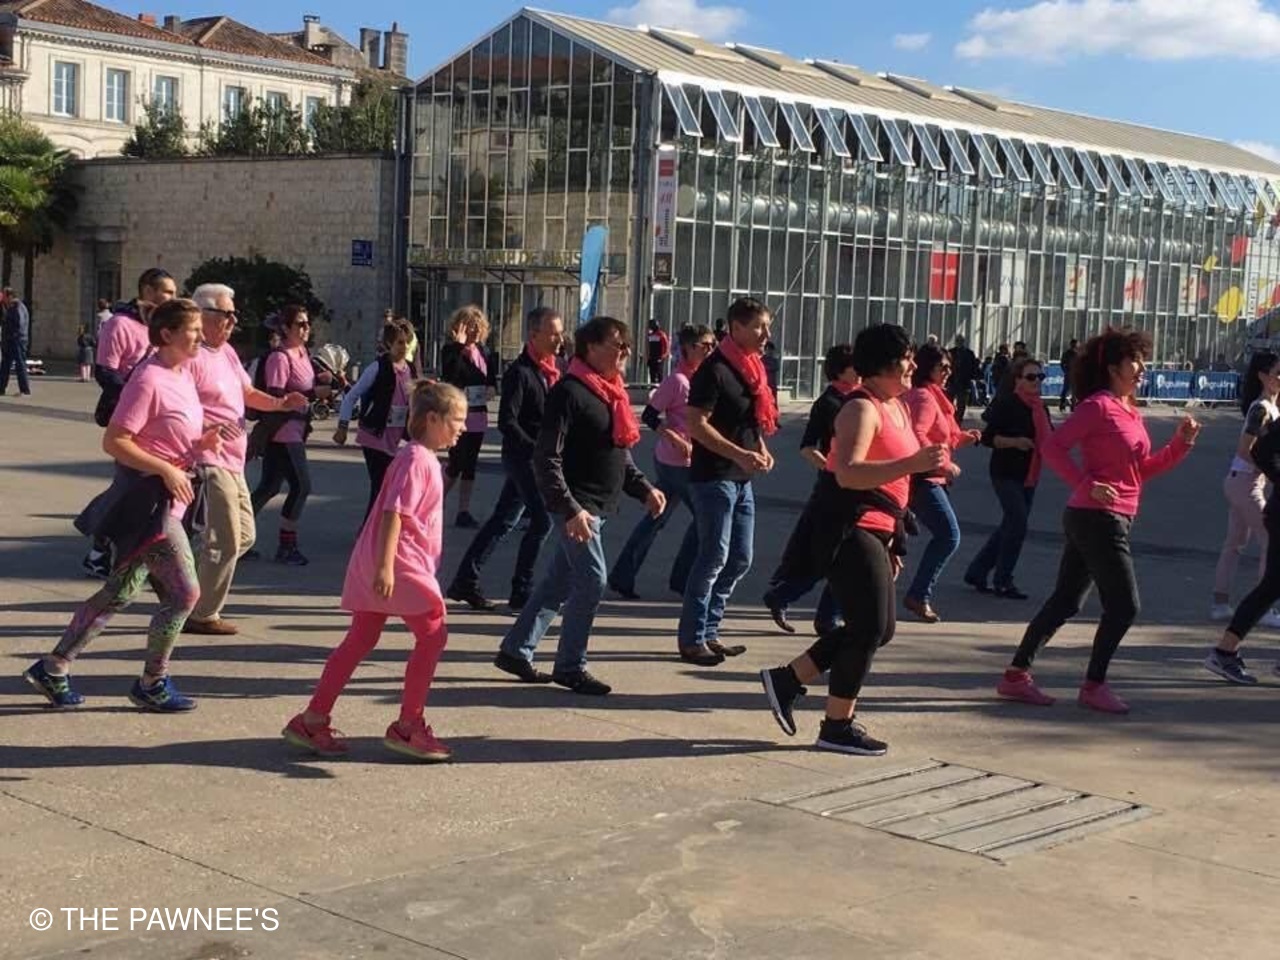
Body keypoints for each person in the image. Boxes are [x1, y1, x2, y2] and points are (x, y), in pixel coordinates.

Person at [23, 299, 222, 712]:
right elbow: (115, 441)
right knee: (185, 594)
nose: (200, 337)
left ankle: (54, 666)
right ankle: (153, 682)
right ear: (167, 334)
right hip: (149, 506)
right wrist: (165, 469)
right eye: (193, 330)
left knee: (120, 591)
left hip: (172, 501)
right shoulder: (147, 379)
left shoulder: (182, 374)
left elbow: (165, 435)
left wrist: (199, 444)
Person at [758, 324, 945, 755]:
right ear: (883, 364)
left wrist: (894, 538)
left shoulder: (896, 406)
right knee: (869, 628)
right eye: (906, 358)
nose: (912, 365)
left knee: (879, 629)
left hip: (879, 527)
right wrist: (913, 462)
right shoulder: (860, 408)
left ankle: (788, 679)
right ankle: (836, 726)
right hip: (847, 526)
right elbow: (847, 473)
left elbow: (895, 476)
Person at [997, 328, 1200, 714]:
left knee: (1066, 602)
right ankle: (1093, 685)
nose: (1142, 368)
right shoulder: (1098, 407)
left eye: (1142, 360)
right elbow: (1053, 448)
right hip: (1096, 517)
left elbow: (1140, 471)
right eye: (1134, 360)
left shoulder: (1128, 409)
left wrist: (1181, 444)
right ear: (1112, 367)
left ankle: (1015, 676)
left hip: (1113, 515)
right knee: (1124, 606)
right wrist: (1086, 484)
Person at [283, 382, 468, 760]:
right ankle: (409, 725)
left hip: (386, 561)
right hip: (398, 563)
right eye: (457, 420)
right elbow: (393, 514)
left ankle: (313, 719)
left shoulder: (419, 458)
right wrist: (385, 568)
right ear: (433, 419)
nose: (463, 428)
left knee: (361, 638)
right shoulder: (417, 460)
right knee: (433, 635)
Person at [495, 316, 664, 695]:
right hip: (576, 506)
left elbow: (619, 453)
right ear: (591, 347)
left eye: (627, 345)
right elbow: (546, 458)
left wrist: (644, 489)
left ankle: (515, 650)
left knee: (560, 580)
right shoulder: (569, 392)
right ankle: (571, 666)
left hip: (597, 505)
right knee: (592, 579)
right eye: (618, 344)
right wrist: (569, 509)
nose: (626, 351)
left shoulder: (610, 392)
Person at [185, 284, 308, 636]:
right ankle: (201, 613)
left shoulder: (226, 353)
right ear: (203, 315)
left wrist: (280, 403)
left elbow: (248, 392)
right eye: (227, 314)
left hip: (235, 460)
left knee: (244, 536)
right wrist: (206, 428)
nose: (233, 321)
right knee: (224, 541)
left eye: (234, 314)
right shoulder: (191, 357)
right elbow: (178, 406)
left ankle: (179, 571)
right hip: (209, 459)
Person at [679, 297, 777, 666]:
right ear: (736, 328)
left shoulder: (751, 368)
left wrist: (760, 448)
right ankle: (692, 639)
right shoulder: (715, 369)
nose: (766, 334)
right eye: (759, 327)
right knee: (713, 557)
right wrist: (738, 453)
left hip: (741, 477)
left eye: (767, 326)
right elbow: (696, 424)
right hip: (714, 477)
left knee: (740, 558)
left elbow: (748, 420)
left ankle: (710, 630)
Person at [447, 306, 565, 611]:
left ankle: (465, 580)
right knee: (541, 522)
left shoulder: (551, 370)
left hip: (538, 458)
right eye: (553, 333)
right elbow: (507, 422)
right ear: (534, 334)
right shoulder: (520, 372)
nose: (559, 339)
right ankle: (521, 590)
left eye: (561, 333)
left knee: (503, 520)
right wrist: (536, 448)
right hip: (523, 458)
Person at [84, 268, 179, 578]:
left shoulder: (163, 328)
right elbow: (105, 371)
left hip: (158, 419)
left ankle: (112, 550)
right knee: (131, 484)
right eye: (167, 292)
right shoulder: (119, 324)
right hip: (130, 417)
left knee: (136, 486)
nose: (172, 298)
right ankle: (103, 547)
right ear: (148, 291)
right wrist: (136, 395)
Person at [608, 324, 713, 600]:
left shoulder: (704, 378)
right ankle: (682, 579)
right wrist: (674, 437)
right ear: (688, 348)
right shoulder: (677, 381)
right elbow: (650, 416)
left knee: (657, 517)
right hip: (675, 463)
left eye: (713, 345)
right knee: (707, 518)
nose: (710, 350)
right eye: (705, 345)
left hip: (688, 462)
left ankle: (623, 576)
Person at [762, 343, 859, 636]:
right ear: (841, 370)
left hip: (856, 486)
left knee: (845, 555)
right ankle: (787, 597)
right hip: (834, 488)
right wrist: (831, 468)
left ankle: (824, 615)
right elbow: (807, 446)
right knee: (830, 555)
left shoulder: (859, 399)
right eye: (855, 365)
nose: (861, 370)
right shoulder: (829, 402)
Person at [902, 345, 981, 623]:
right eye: (942, 367)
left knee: (885, 544)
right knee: (948, 535)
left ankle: (832, 607)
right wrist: (942, 464)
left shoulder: (935, 396)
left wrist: (964, 438)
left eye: (949, 366)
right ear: (927, 368)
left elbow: (942, 435)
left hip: (927, 476)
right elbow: (917, 434)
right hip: (922, 478)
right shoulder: (924, 396)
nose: (948, 372)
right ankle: (918, 595)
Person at [963, 356, 1052, 599]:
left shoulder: (1040, 408)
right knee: (1018, 523)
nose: (1036, 381)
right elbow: (987, 438)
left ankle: (977, 571)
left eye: (1040, 377)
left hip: (1029, 474)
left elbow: (1051, 440)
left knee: (1010, 525)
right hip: (1005, 473)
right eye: (1031, 377)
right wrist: (1015, 442)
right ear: (1018, 380)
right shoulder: (1007, 404)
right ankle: (1003, 580)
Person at [1207, 352, 1280, 643]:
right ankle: (1266, 607)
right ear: (1262, 376)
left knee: (1235, 542)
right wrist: (1273, 473)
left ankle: (1220, 602)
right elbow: (1244, 449)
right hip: (1245, 482)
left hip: (1246, 481)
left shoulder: (1271, 407)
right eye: (1276, 373)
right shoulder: (1261, 408)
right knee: (1270, 540)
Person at [249, 304, 316, 565]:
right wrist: (313, 394)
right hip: (282, 432)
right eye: (300, 324)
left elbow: (304, 388)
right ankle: (286, 546)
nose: (306, 328)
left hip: (296, 429)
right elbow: (275, 397)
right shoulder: (279, 358)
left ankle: (237, 537)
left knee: (269, 487)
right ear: (286, 328)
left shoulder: (302, 353)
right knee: (301, 486)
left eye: (307, 323)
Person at [334, 318, 418, 519]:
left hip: (396, 435)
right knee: (381, 486)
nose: (404, 347)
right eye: (399, 342)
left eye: (407, 342)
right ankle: (369, 530)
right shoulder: (378, 367)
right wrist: (343, 426)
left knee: (391, 486)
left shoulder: (410, 369)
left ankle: (378, 529)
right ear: (388, 344)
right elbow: (352, 396)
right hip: (374, 434)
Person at [440, 305, 497, 528]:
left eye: (479, 326)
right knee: (456, 462)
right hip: (459, 415)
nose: (476, 331)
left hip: (478, 414)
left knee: (470, 464)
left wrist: (491, 388)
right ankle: (435, 502)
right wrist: (459, 346)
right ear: (460, 327)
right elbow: (449, 375)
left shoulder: (484, 351)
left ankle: (463, 510)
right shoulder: (451, 350)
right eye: (471, 326)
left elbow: (490, 378)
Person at [0, 287, 31, 397]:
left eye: (5, 297)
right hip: (9, 340)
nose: (3, 299)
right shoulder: (10, 308)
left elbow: (19, 324)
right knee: (5, 364)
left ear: (10, 296)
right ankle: (1, 388)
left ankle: (25, 390)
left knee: (20, 364)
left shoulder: (18, 307)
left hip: (17, 341)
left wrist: (13, 336)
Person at [949, 334, 979, 423]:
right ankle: (950, 420)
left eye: (961, 341)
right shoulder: (951, 352)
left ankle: (958, 421)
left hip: (964, 382)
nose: (959, 342)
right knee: (948, 403)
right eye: (957, 341)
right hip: (952, 381)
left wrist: (972, 377)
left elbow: (973, 367)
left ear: (963, 342)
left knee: (961, 405)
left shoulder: (969, 353)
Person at [645, 318, 670, 385]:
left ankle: (660, 387)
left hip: (658, 358)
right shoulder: (650, 335)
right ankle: (652, 387)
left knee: (659, 374)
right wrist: (648, 357)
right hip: (652, 358)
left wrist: (662, 357)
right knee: (652, 374)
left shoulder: (661, 334)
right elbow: (648, 347)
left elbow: (666, 347)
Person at [1059, 339, 1079, 412]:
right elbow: (1062, 364)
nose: (1075, 346)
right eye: (1074, 345)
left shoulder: (1078, 354)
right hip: (1069, 373)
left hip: (1075, 374)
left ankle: (1073, 406)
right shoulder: (1067, 354)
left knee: (1074, 391)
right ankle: (1063, 404)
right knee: (1066, 389)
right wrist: (1066, 371)